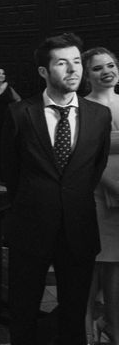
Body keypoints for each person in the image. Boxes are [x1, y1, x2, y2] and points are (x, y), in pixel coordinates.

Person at [0, 33, 111, 345]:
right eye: (62, 63)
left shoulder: (99, 116)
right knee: (23, 310)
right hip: (30, 226)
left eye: (77, 61)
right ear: (43, 72)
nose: (73, 69)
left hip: (78, 226)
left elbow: (94, 168)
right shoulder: (20, 113)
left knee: (75, 313)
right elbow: (10, 170)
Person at [82, 47, 119, 344]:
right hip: (96, 193)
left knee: (117, 265)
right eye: (97, 68)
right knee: (92, 263)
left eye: (110, 65)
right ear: (87, 75)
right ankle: (84, 327)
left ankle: (112, 324)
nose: (106, 71)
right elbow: (86, 158)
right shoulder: (84, 108)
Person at [0, 68, 21, 167]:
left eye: (3, 73)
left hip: (6, 119)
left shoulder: (8, 88)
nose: (1, 75)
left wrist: (12, 110)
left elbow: (18, 100)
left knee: (5, 144)